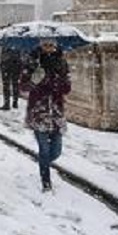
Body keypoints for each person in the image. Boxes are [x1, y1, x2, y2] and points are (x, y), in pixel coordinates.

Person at [20, 39, 72, 192]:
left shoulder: (62, 63)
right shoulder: (32, 62)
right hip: (39, 110)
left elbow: (67, 88)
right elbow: (23, 86)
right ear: (40, 46)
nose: (49, 48)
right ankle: (46, 182)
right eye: (45, 45)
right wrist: (35, 80)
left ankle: (43, 164)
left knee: (56, 150)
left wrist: (57, 81)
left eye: (51, 45)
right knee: (43, 148)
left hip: (56, 110)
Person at [0, 46, 22, 110]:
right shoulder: (18, 41)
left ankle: (7, 104)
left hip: (7, 64)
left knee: (7, 85)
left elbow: (3, 55)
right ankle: (15, 103)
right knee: (15, 84)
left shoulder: (5, 40)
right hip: (16, 64)